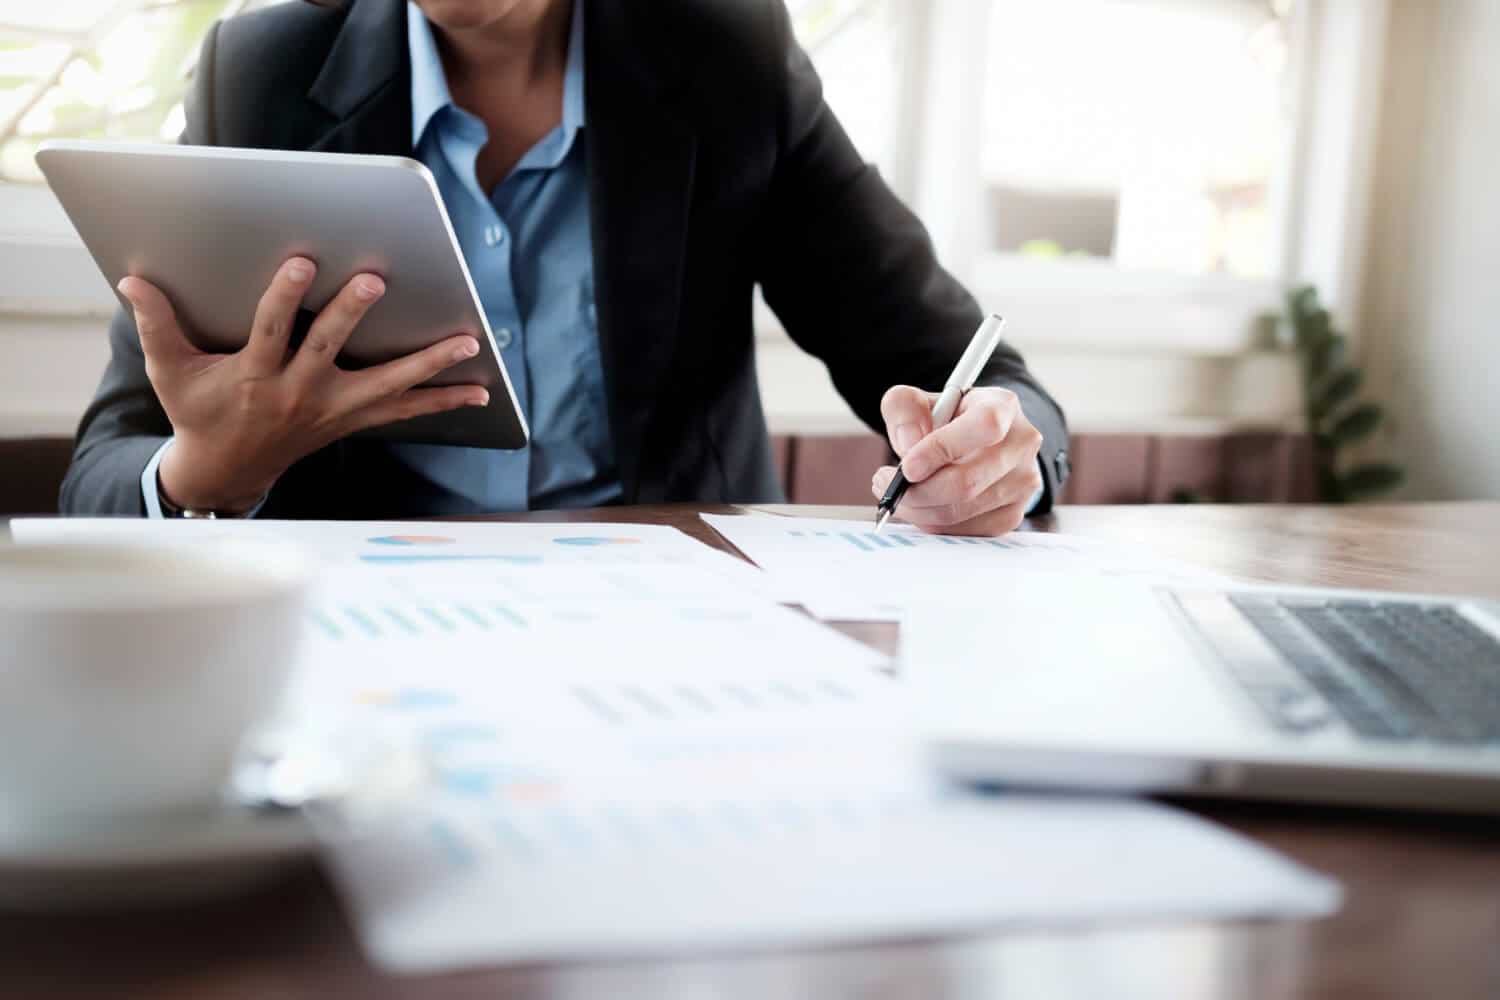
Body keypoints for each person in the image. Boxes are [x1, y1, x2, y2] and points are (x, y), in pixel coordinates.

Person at [61, 0, 1070, 535]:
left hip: (682, 634)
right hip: (365, 643)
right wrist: (209, 472)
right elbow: (104, 470)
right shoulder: (262, 76)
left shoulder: (729, 55)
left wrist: (998, 458)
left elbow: (973, 371)